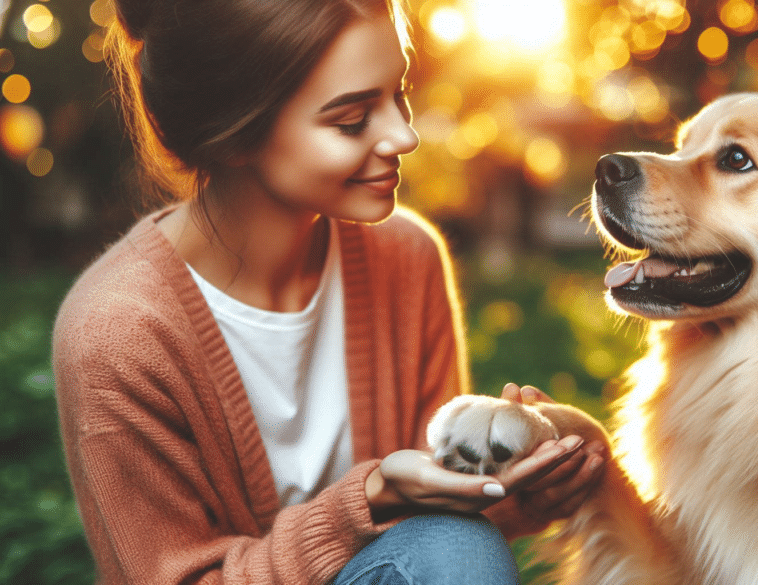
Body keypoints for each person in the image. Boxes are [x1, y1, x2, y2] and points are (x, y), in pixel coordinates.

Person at [51, 0, 607, 583]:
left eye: (400, 95)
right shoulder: (116, 335)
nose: (404, 135)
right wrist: (369, 500)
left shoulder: (407, 257)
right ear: (235, 133)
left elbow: (438, 533)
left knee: (455, 543)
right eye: (351, 119)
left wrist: (523, 488)